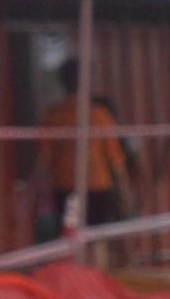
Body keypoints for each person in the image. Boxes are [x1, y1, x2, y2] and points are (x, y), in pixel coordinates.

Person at [33, 60, 137, 248]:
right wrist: (126, 193)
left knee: (71, 239)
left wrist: (37, 194)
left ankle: (76, 276)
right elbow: (116, 161)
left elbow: (43, 161)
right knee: (96, 241)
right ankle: (96, 275)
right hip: (98, 189)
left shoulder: (53, 117)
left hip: (67, 191)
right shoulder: (100, 116)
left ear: (63, 82)